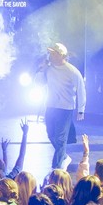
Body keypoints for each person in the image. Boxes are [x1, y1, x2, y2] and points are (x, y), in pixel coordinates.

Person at [39, 42, 86, 170]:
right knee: (50, 134)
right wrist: (42, 68)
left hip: (65, 109)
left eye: (53, 53)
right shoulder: (48, 69)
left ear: (61, 55)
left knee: (60, 139)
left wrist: (81, 110)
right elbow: (38, 82)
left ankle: (56, 168)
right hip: (51, 107)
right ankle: (64, 156)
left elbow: (81, 89)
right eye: (50, 53)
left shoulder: (72, 71)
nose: (50, 56)